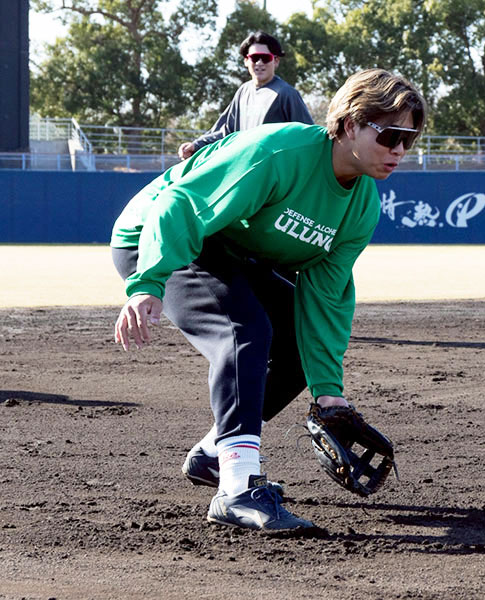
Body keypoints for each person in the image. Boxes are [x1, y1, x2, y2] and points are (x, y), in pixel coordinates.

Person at [111, 68, 426, 532]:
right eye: (391, 134)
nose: (400, 149)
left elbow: (325, 298)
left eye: (410, 138)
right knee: (245, 332)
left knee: (296, 343)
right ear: (351, 124)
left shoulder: (362, 205)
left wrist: (329, 394)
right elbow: (178, 204)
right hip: (159, 237)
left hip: (235, 252)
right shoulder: (281, 153)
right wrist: (147, 284)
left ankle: (215, 454)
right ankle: (237, 490)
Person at [177, 31, 314, 161]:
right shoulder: (243, 92)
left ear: (276, 61)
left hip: (274, 178)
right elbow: (225, 131)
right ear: (246, 61)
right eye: (254, 58)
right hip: (244, 172)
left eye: (265, 58)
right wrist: (196, 146)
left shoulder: (286, 94)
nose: (259, 63)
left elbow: (307, 137)